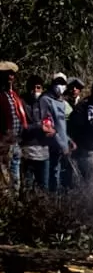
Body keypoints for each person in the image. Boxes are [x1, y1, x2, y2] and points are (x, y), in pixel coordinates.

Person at [19, 74, 57, 190]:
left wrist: (53, 131)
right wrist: (39, 127)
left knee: (43, 187)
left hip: (44, 152)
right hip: (27, 151)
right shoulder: (21, 103)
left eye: (38, 87)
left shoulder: (46, 103)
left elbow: (52, 122)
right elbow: (21, 127)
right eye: (33, 87)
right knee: (27, 187)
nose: (35, 90)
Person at [0, 61, 26, 189]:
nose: (11, 77)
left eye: (12, 74)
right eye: (8, 74)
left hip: (15, 142)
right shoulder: (1, 95)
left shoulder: (14, 95)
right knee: (5, 179)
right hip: (4, 144)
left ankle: (15, 203)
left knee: (16, 179)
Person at [45, 73, 74, 191]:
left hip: (62, 145)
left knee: (60, 175)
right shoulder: (46, 100)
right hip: (52, 145)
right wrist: (62, 145)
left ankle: (59, 201)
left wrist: (69, 141)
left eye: (63, 84)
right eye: (58, 83)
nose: (60, 86)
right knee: (53, 174)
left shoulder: (62, 102)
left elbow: (62, 126)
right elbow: (51, 126)